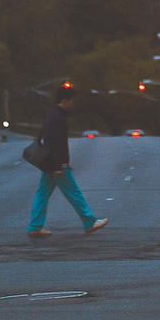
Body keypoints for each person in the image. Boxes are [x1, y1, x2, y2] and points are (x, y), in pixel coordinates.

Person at [27, 83, 108, 238]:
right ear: (65, 100)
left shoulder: (52, 114)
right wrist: (58, 165)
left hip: (49, 163)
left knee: (42, 193)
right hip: (57, 164)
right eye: (72, 100)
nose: (73, 104)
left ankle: (35, 226)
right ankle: (89, 222)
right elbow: (55, 143)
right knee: (73, 193)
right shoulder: (58, 118)